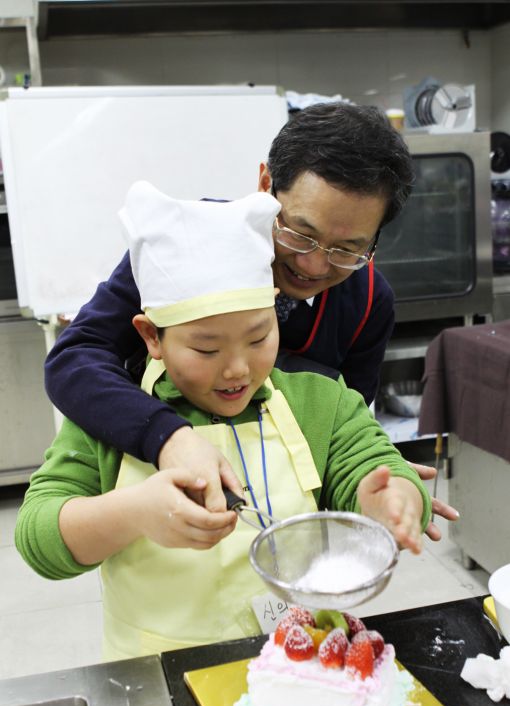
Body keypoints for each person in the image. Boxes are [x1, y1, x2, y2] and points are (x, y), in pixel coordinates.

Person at [17, 184, 431, 660]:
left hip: (299, 664)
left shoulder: (320, 400)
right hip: (158, 679)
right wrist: (133, 512)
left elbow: (374, 464)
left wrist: (391, 501)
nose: (237, 369)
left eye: (258, 339)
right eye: (207, 349)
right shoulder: (111, 415)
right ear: (151, 336)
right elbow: (37, 538)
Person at [43, 102, 452, 535]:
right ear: (265, 185)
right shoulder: (185, 244)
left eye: (348, 249)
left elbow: (345, 422)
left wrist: (370, 478)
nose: (314, 266)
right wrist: (167, 437)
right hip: (170, 505)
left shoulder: (369, 300)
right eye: (300, 233)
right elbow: (74, 359)